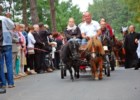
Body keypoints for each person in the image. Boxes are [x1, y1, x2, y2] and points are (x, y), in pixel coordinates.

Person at [0, 5, 15, 88]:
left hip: (0, 43)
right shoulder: (4, 18)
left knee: (1, 64)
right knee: (9, 64)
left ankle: (2, 83)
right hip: (7, 42)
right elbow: (12, 26)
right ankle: (10, 83)